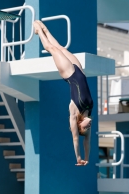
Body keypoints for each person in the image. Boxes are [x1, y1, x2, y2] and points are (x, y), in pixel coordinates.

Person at [33, 20, 93, 166]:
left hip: (70, 74)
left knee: (52, 49)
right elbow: (87, 143)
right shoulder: (88, 113)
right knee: (61, 48)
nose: (89, 126)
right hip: (80, 72)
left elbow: (76, 139)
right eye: (88, 128)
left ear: (79, 125)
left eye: (85, 128)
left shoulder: (74, 113)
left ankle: (39, 32)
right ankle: (46, 30)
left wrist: (78, 158)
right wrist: (88, 158)